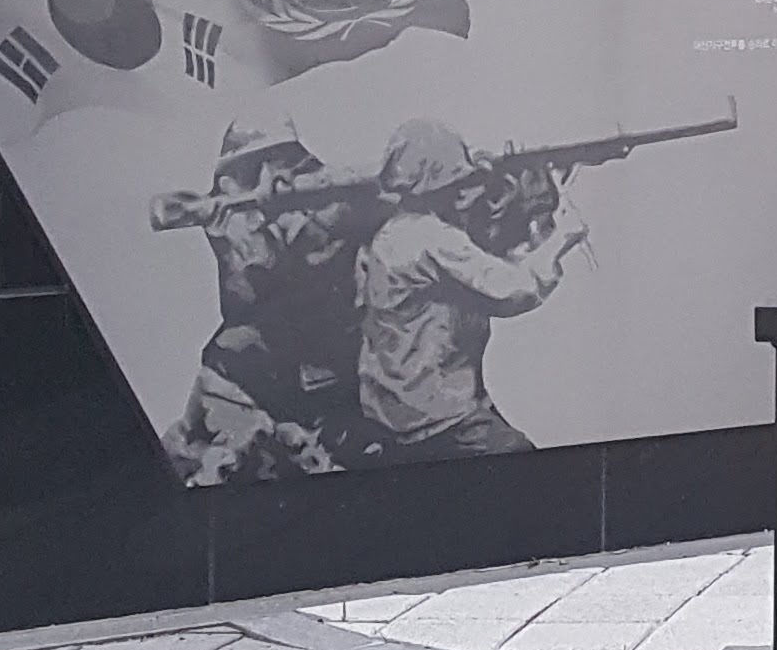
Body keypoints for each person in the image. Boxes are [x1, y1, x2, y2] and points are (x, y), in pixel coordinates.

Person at [348, 118, 585, 457]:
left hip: (391, 402)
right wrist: (561, 241)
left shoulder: (392, 234)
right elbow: (511, 291)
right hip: (432, 412)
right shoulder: (431, 238)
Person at [176, 122, 367, 480]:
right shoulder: (232, 223)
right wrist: (242, 232)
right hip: (265, 367)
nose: (270, 175)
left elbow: (328, 247)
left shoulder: (328, 203)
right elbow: (251, 294)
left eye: (281, 162)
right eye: (253, 169)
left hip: (337, 363)